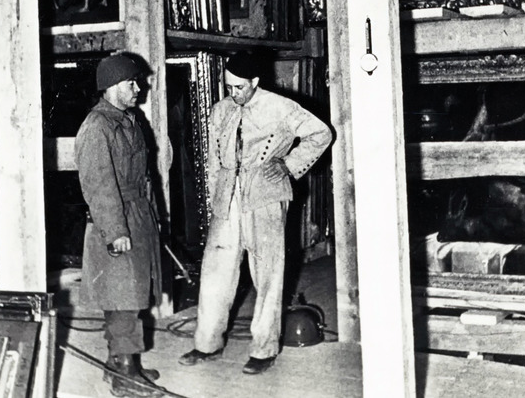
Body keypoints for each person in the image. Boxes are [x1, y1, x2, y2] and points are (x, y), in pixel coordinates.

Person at [178, 51, 333, 375]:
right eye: (228, 86)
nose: (232, 93)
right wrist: (216, 193)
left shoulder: (281, 107)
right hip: (227, 201)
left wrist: (288, 167)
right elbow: (212, 157)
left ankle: (264, 350)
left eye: (238, 87)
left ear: (255, 83)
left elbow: (322, 134)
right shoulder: (221, 110)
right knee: (215, 273)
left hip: (265, 199)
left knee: (268, 274)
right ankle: (206, 344)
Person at [75, 52, 163, 398]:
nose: (139, 88)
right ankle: (126, 377)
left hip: (137, 214)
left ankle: (122, 364)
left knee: (133, 294)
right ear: (112, 86)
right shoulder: (97, 126)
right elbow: (98, 185)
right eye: (132, 83)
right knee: (123, 298)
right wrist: (116, 232)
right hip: (116, 220)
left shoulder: (128, 119)